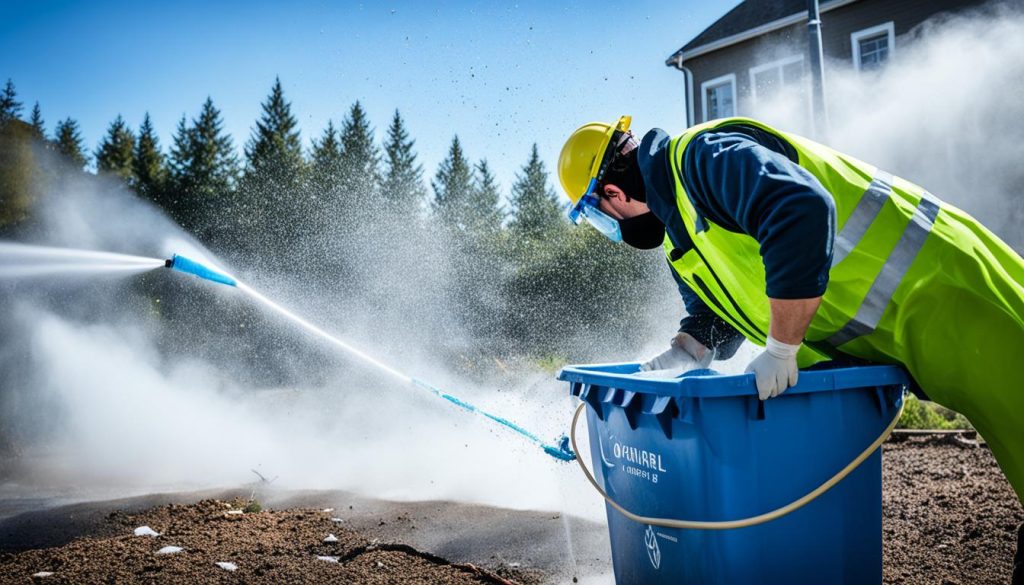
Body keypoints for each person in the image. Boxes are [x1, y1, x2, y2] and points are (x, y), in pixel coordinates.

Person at [558, 115, 1024, 582]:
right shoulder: (680, 239)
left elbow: (801, 207)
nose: (612, 229)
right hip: (905, 327)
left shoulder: (699, 159)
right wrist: (684, 352)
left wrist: (782, 347)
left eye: (599, 217)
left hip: (947, 288)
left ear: (612, 194)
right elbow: (713, 317)